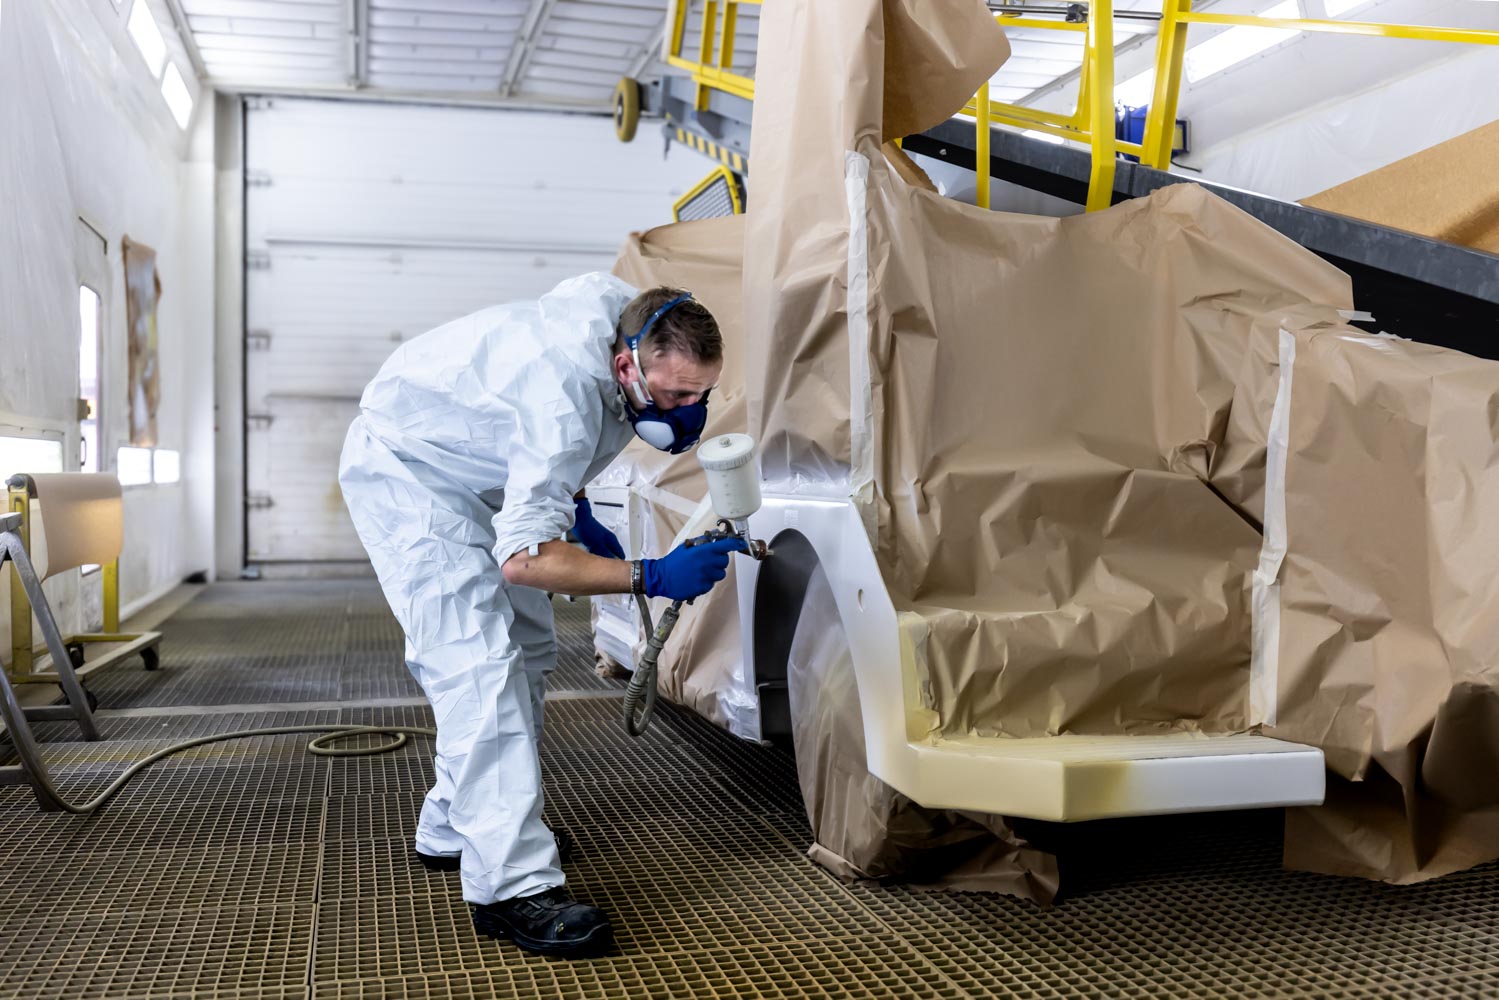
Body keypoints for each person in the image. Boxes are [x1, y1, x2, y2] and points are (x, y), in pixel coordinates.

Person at [338, 273, 743, 959]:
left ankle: (456, 826)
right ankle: (510, 888)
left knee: (527, 652)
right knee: (479, 666)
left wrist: (571, 506)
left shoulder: (631, 332)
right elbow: (525, 561)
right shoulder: (561, 395)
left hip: (479, 477)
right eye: (675, 396)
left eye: (700, 395)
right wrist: (649, 575)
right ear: (626, 365)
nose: (687, 412)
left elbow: (542, 443)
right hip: (411, 477)